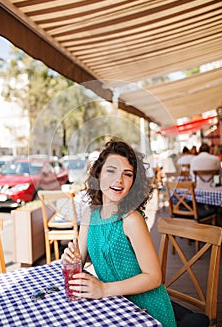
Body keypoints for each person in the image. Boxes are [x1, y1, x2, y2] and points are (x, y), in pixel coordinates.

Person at [62, 139, 177, 327]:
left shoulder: (131, 220)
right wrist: (70, 258)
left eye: (127, 174)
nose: (119, 180)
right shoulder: (90, 214)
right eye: (111, 171)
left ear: (134, 182)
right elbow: (79, 259)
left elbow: (154, 277)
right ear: (98, 174)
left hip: (146, 311)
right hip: (113, 304)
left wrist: (103, 289)